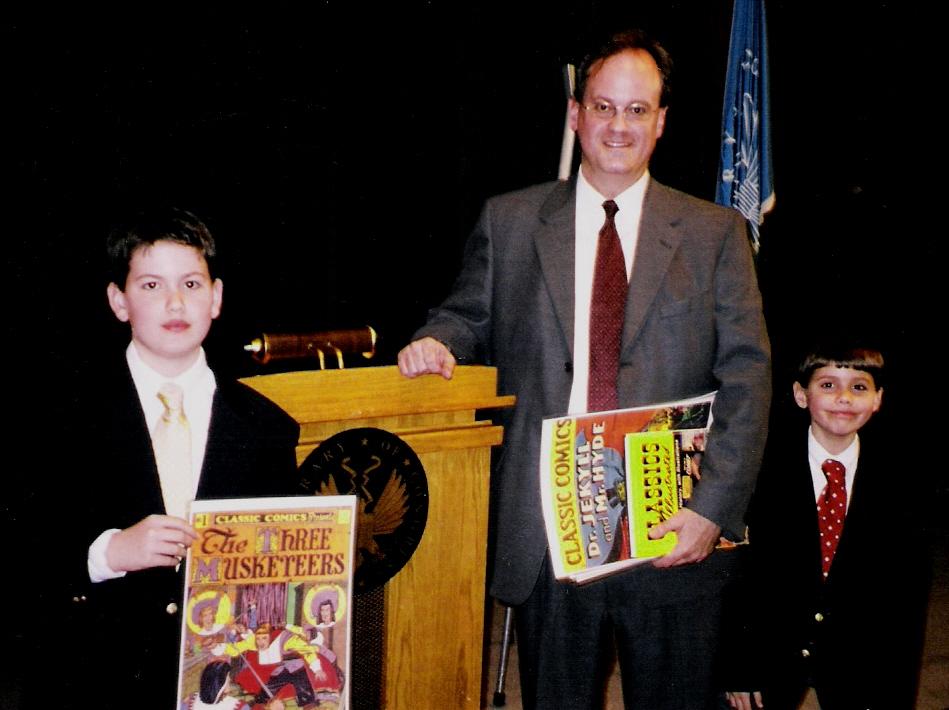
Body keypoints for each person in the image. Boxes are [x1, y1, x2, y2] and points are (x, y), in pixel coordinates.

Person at [398, 28, 771, 710]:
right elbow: (466, 317)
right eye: (603, 106)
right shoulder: (510, 221)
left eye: (636, 110)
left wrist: (711, 508)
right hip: (550, 529)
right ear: (575, 113)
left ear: (660, 122)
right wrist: (436, 342)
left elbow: (747, 379)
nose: (618, 126)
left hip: (670, 522)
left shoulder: (714, 234)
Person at [52, 208, 300, 710]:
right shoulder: (64, 416)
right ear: (118, 301)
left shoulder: (267, 427)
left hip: (225, 687)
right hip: (97, 677)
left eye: (191, 283)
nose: (175, 302)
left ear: (217, 297)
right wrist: (107, 553)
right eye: (151, 285)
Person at [721, 345, 929, 710]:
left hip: (859, 660)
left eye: (859, 387)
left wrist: (896, 689)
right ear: (801, 394)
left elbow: (907, 597)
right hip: (770, 653)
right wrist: (739, 665)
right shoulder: (760, 467)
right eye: (828, 385)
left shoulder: (901, 482)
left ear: (878, 399)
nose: (844, 397)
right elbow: (738, 575)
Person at [180, 661, 252, 710]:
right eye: (228, 682)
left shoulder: (188, 702)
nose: (229, 687)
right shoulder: (189, 702)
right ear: (220, 687)